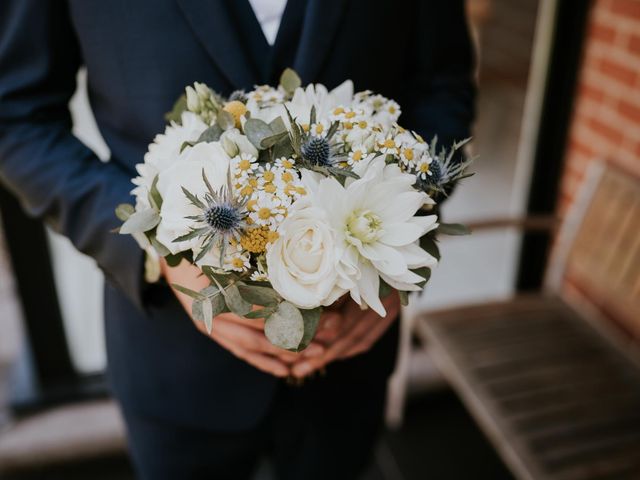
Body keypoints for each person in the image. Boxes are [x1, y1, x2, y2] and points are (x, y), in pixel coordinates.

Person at [0, 0, 475, 478]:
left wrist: (393, 248)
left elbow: (442, 86)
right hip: (175, 358)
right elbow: (17, 118)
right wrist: (153, 250)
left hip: (349, 352)